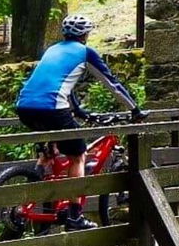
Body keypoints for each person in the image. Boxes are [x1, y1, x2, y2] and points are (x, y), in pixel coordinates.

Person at [14, 14, 144, 229]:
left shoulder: (52, 49)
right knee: (78, 156)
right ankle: (75, 216)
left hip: (24, 107)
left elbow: (61, 84)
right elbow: (112, 84)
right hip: (51, 108)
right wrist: (135, 109)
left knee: (49, 153)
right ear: (85, 34)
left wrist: (79, 111)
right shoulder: (85, 52)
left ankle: (26, 204)